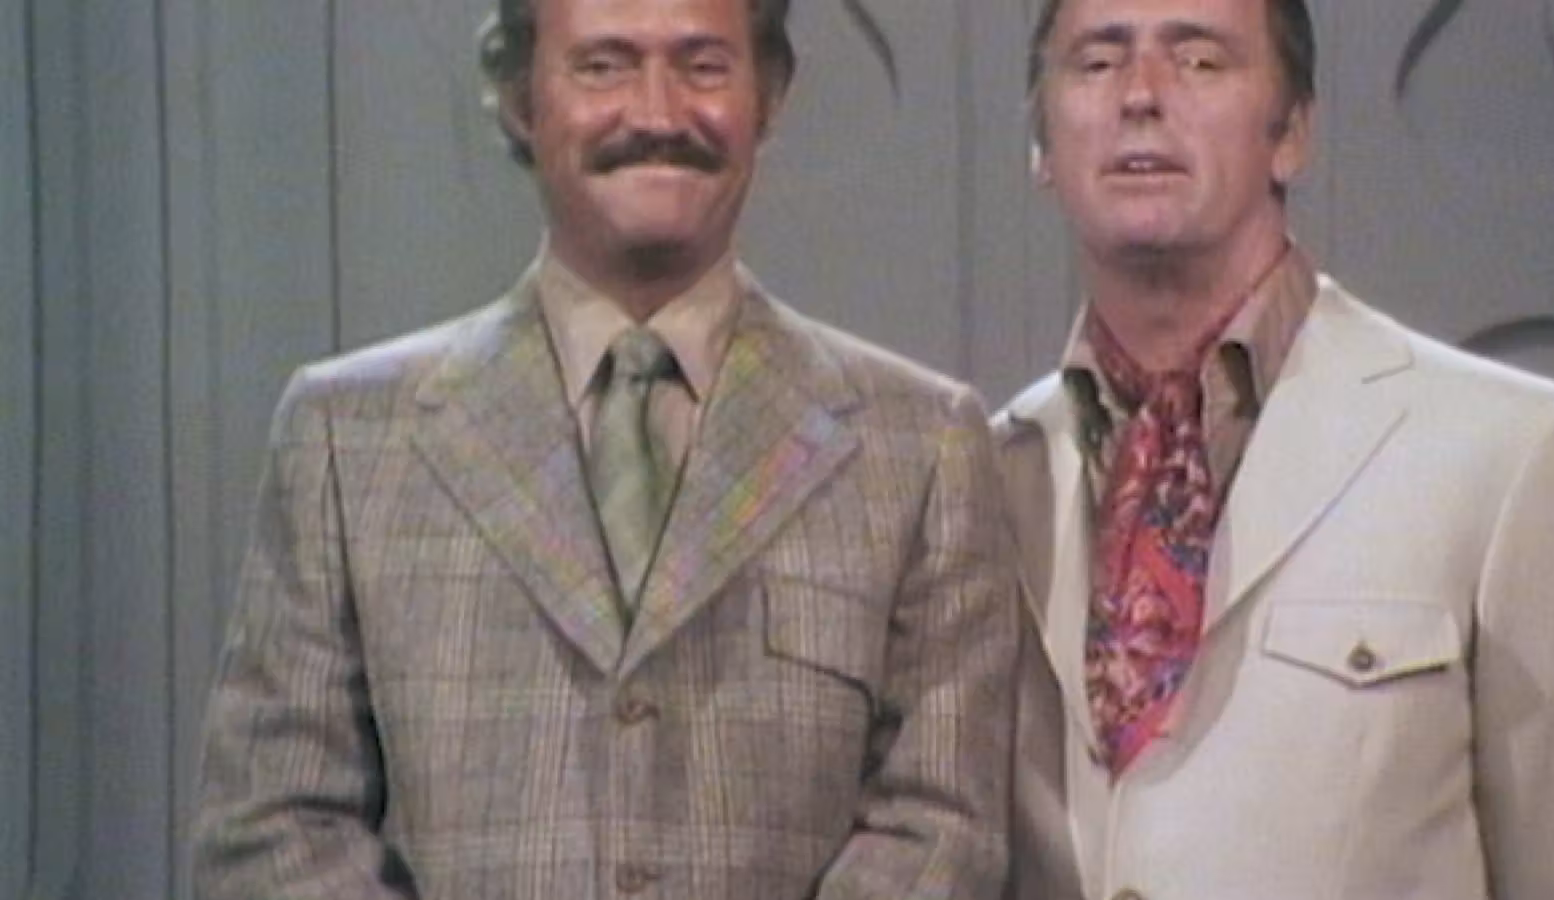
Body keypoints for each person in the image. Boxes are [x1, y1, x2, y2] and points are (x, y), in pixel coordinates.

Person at [191, 0, 1017, 896]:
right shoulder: (346, 438)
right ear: (521, 97)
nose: (658, 114)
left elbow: (941, 829)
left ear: (769, 96)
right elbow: (273, 832)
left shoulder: (920, 445)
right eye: (604, 65)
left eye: (703, 66)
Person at [995, 0, 1554, 897]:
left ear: (1291, 133)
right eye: (1097, 62)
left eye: (1200, 60)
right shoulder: (986, 476)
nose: (1141, 94)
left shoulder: (1515, 456)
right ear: (1041, 146)